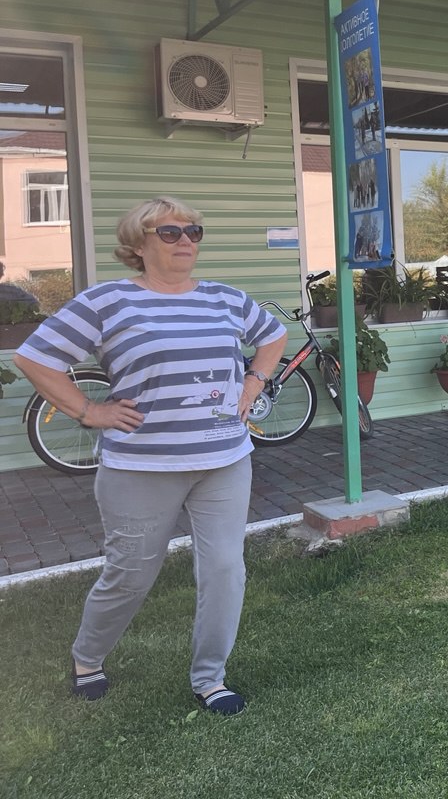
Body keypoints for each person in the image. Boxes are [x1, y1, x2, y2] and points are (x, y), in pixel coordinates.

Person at [13, 197, 288, 715]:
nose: (185, 240)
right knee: (131, 572)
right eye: (169, 232)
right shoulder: (108, 302)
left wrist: (255, 378)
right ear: (137, 244)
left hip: (225, 458)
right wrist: (88, 411)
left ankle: (211, 678)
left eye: (193, 231)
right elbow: (35, 357)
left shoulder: (225, 299)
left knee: (226, 569)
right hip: (141, 466)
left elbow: (273, 335)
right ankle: (87, 658)